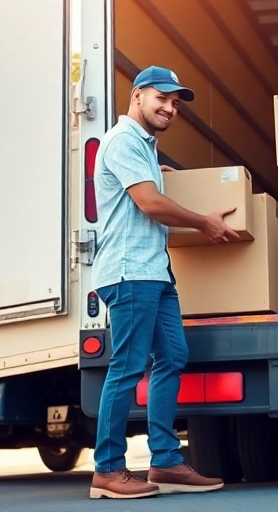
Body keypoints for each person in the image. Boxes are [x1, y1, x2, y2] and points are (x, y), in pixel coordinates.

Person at [89, 66, 242, 500]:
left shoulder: (145, 149)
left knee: (173, 356)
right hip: (129, 271)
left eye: (175, 103)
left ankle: (166, 461)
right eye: (163, 98)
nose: (170, 108)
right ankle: (108, 469)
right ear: (138, 95)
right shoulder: (121, 143)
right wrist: (204, 224)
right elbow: (150, 203)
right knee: (127, 367)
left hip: (155, 271)